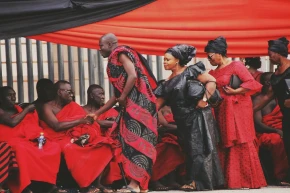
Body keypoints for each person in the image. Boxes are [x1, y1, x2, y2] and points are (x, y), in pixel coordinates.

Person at [92, 33, 158, 193]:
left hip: (140, 106)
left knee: (138, 143)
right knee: (128, 142)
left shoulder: (120, 53)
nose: (99, 49)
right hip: (131, 105)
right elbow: (116, 95)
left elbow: (133, 75)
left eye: (101, 45)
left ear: (110, 44)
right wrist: (96, 114)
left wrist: (123, 97)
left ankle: (135, 185)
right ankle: (137, 184)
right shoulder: (114, 60)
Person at [154, 44, 224, 191]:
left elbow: (212, 81)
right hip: (182, 120)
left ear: (177, 60)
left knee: (198, 149)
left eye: (167, 60)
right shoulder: (167, 82)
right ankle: (197, 180)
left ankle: (197, 182)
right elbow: (156, 105)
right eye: (164, 60)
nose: (164, 62)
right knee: (189, 150)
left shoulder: (191, 71)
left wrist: (204, 99)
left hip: (198, 116)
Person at [205, 36, 267, 189]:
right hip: (221, 108)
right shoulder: (213, 71)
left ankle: (246, 180)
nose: (209, 59)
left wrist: (235, 91)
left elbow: (252, 84)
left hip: (238, 107)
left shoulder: (236, 65)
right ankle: (229, 180)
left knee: (241, 138)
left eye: (210, 55)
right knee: (224, 139)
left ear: (219, 53)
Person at [40, 81, 114, 193]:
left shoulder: (73, 106)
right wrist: (81, 121)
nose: (72, 94)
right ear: (60, 92)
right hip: (56, 138)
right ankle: (85, 185)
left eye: (72, 91)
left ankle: (97, 183)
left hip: (77, 135)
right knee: (72, 149)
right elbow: (56, 126)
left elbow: (89, 124)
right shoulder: (47, 107)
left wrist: (86, 134)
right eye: (69, 91)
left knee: (104, 143)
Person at [0, 86, 62, 193]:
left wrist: (37, 136)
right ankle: (23, 186)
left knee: (53, 147)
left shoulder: (18, 109)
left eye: (14, 95)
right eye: (9, 96)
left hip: (26, 139)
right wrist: (27, 110)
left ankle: (49, 184)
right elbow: (12, 122)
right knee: (21, 149)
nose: (13, 98)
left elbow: (31, 127)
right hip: (8, 140)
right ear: (1, 99)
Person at [253, 37, 290, 183]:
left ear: (277, 53)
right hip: (286, 115)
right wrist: (250, 110)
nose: (269, 57)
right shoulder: (276, 75)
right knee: (287, 144)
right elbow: (268, 96)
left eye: (270, 54)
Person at [83, 84, 121, 188]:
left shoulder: (108, 110)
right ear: (91, 95)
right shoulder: (80, 109)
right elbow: (78, 124)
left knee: (107, 145)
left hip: (105, 140)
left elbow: (115, 123)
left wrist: (93, 122)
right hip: (86, 140)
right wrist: (102, 123)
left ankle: (99, 183)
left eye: (103, 94)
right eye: (100, 94)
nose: (103, 97)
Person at [150, 105, 185, 191]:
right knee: (168, 145)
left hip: (174, 135)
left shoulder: (175, 107)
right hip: (159, 136)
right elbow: (164, 124)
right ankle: (155, 180)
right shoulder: (157, 107)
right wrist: (181, 128)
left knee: (175, 146)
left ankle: (171, 179)